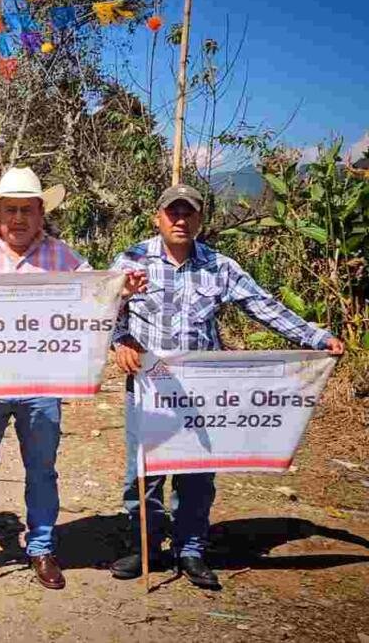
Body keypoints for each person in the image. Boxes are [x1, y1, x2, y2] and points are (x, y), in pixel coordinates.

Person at [109, 183, 345, 589]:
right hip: (149, 389)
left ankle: (191, 549)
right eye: (173, 212)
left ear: (200, 219)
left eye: (189, 213)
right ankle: (146, 546)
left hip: (204, 391)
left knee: (197, 475)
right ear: (158, 217)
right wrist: (120, 341)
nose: (180, 220)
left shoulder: (220, 266)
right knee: (142, 475)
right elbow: (105, 308)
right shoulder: (130, 260)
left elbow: (262, 304)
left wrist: (315, 338)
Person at [0, 166, 145, 590]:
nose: (19, 219)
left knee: (41, 469)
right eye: (10, 210)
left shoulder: (64, 257)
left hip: (42, 387)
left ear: (41, 213)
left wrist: (124, 290)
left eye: (27, 209)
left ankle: (41, 547)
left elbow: (98, 297)